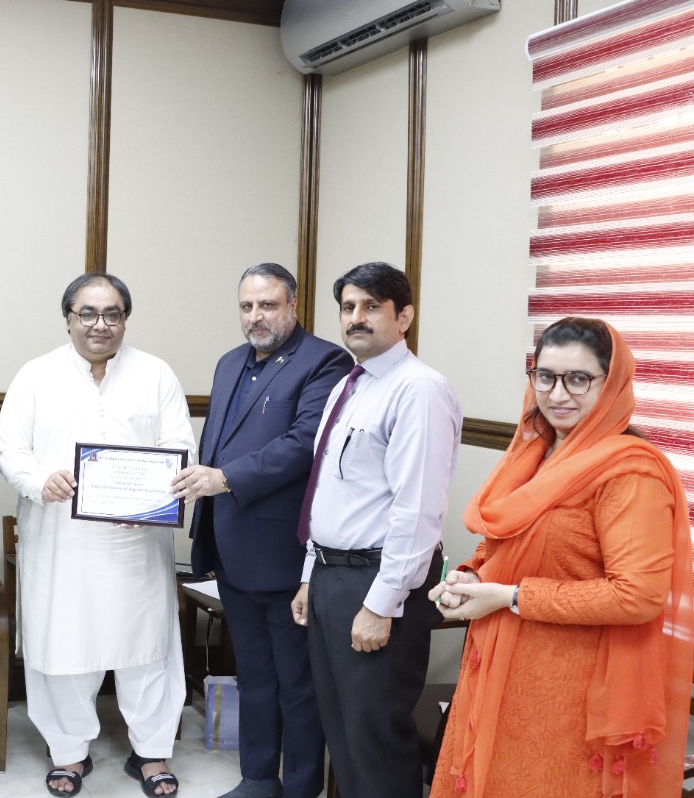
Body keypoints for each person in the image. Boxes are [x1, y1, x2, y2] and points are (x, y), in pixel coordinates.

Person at [429, 317, 694, 798]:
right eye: (546, 376)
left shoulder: (630, 473)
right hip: (499, 669)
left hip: (569, 691)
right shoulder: (538, 451)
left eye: (578, 379)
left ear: (611, 383)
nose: (557, 394)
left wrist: (510, 596)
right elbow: (504, 538)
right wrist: (472, 576)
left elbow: (638, 596)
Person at [0, 272, 196, 798]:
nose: (99, 324)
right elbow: (10, 449)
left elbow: (180, 446)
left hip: (137, 543)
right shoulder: (35, 375)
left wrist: (150, 502)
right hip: (60, 540)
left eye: (112, 314)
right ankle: (68, 753)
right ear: (68, 319)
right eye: (87, 313)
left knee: (147, 646)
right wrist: (41, 480)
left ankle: (152, 752)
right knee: (64, 644)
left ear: (125, 319)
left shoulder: (156, 373)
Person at [175, 264, 352, 798]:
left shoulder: (324, 361)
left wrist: (224, 478)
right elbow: (215, 442)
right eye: (247, 306)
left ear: (293, 306)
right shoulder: (230, 362)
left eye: (268, 305)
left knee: (296, 683)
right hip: (230, 546)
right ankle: (256, 778)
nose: (256, 316)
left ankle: (299, 787)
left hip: (284, 553)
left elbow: (304, 444)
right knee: (252, 674)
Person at [289, 261, 461, 798]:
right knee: (342, 731)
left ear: (403, 317)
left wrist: (383, 604)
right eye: (347, 307)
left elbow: (417, 511)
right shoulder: (349, 385)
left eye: (371, 306)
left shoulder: (419, 390)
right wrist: (310, 575)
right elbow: (330, 491)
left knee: (375, 737)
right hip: (332, 577)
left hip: (378, 582)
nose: (356, 317)